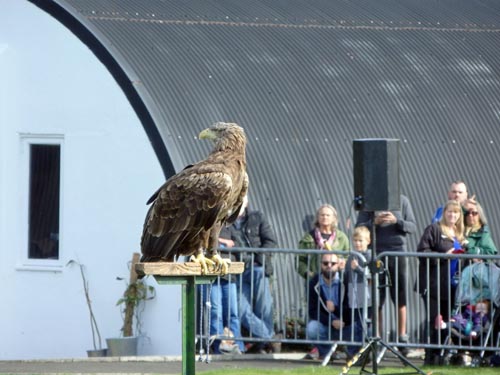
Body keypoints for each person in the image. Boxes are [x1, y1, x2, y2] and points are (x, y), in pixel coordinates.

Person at [355, 194, 416, 357]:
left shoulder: (402, 200)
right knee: (377, 298)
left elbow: (412, 226)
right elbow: (359, 226)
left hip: (398, 252)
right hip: (377, 252)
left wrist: (397, 221)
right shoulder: (370, 202)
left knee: (400, 297)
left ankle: (402, 338)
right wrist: (374, 222)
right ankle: (377, 338)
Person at [416, 200, 467, 365]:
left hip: (452, 285)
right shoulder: (434, 229)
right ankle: (429, 356)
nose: (452, 215)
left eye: (456, 212)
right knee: (434, 320)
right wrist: (444, 255)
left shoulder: (460, 234)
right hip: (434, 284)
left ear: (460, 216)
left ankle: (441, 355)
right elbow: (422, 252)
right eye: (449, 212)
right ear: (444, 213)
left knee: (446, 321)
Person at [227, 195, 279, 353]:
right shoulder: (225, 222)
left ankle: (263, 344)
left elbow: (271, 241)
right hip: (239, 271)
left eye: (241, 200)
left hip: (258, 268)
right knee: (241, 309)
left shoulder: (257, 217)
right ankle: (270, 338)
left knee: (264, 308)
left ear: (246, 202)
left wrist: (258, 257)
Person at [199, 227, 244, 354]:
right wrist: (223, 242)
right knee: (216, 313)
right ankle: (219, 347)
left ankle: (238, 346)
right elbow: (205, 243)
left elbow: (239, 245)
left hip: (229, 276)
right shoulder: (206, 223)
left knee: (233, 314)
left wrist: (220, 243)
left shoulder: (230, 227)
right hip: (212, 277)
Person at [306, 252, 354, 362]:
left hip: (345, 324)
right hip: (326, 324)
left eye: (333, 263)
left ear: (338, 265)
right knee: (312, 328)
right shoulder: (314, 283)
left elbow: (352, 307)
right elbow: (312, 311)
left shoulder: (346, 280)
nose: (329, 266)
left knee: (367, 329)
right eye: (325, 263)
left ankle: (352, 354)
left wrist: (337, 312)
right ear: (320, 264)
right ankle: (327, 354)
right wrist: (331, 321)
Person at [298, 204, 349, 280]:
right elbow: (300, 260)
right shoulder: (308, 238)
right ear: (317, 218)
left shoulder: (341, 238)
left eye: (328, 215)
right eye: (322, 215)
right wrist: (308, 274)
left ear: (334, 218)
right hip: (314, 280)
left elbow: (347, 256)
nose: (325, 217)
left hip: (336, 280)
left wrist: (342, 263)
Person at [344, 226, 373, 357]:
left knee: (363, 325)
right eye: (355, 240)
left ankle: (361, 351)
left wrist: (358, 269)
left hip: (366, 297)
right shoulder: (351, 257)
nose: (357, 243)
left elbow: (370, 277)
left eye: (360, 240)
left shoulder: (370, 256)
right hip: (353, 295)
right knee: (354, 324)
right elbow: (346, 276)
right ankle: (353, 351)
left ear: (368, 241)